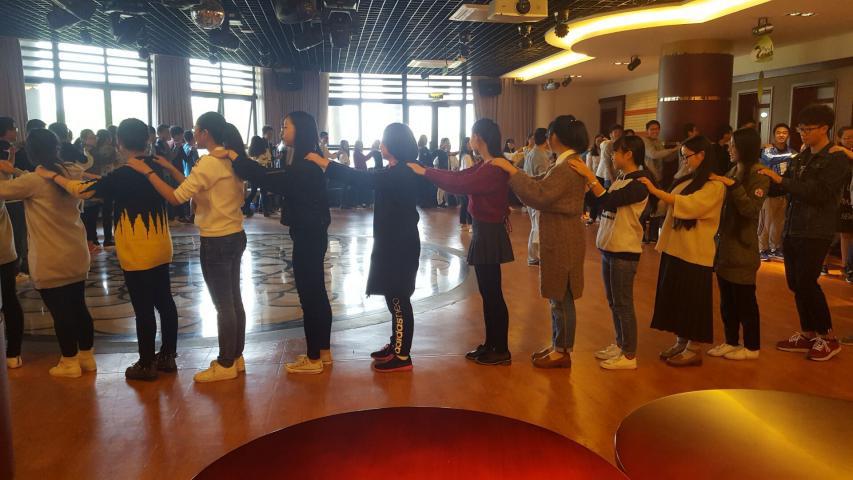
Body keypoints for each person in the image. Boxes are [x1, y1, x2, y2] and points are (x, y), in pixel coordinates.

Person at [39, 118, 180, 380]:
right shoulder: (155, 166)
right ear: (147, 139)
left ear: (119, 142)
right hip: (161, 245)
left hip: (137, 250)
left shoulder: (125, 172)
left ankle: (146, 363)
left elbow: (83, 191)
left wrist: (53, 176)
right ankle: (168, 356)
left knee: (143, 309)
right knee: (165, 301)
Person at [127, 112, 247, 382]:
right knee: (233, 300)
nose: (194, 134)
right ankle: (236, 357)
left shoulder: (209, 162)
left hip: (216, 239)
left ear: (206, 133)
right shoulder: (230, 158)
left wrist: (148, 173)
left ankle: (226, 363)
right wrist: (170, 170)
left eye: (197, 130)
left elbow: (175, 197)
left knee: (223, 305)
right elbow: (195, 187)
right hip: (234, 234)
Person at [306, 123, 421, 372]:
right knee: (393, 296)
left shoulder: (401, 173)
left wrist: (324, 163)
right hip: (392, 242)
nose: (381, 144)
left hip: (400, 245)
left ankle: (402, 356)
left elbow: (360, 177)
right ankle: (396, 344)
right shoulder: (394, 170)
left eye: (384, 140)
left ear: (395, 144)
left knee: (399, 298)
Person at [410, 119, 514, 366]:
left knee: (492, 294)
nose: (470, 140)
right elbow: (458, 176)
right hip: (484, 231)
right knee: (488, 292)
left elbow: (459, 183)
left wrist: (425, 172)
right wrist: (426, 169)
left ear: (479, 138)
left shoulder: (492, 169)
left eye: (472, 135)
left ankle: (501, 349)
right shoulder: (486, 165)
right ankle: (492, 344)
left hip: (489, 232)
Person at [242, 112, 334, 374]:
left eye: (286, 126)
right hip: (313, 233)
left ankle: (313, 358)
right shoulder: (308, 159)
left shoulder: (305, 165)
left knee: (309, 295)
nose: (282, 131)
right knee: (317, 292)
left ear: (300, 130)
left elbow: (270, 179)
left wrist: (239, 159)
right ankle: (323, 352)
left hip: (308, 234)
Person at [490, 115, 586, 369]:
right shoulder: (565, 163)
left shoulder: (567, 167)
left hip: (563, 236)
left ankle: (563, 350)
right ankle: (558, 345)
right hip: (562, 234)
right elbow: (540, 183)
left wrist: (512, 172)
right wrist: (515, 173)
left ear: (556, 136)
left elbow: (540, 194)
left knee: (561, 296)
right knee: (558, 294)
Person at [0, 129, 95, 378]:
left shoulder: (33, 181)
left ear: (31, 153)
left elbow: (4, 190)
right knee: (78, 306)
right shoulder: (71, 171)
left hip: (50, 256)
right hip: (76, 251)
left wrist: (7, 169)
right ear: (57, 148)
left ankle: (69, 362)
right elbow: (43, 177)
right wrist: (15, 170)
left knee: (60, 311)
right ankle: (86, 357)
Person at [762, 105, 850, 361]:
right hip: (793, 226)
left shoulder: (835, 158)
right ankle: (808, 333)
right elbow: (786, 186)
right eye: (800, 129)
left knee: (807, 282)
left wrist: (782, 181)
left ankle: (828, 337)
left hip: (816, 229)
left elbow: (819, 193)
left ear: (824, 128)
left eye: (808, 129)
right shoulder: (801, 157)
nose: (802, 134)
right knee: (795, 283)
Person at [637, 136, 726, 367]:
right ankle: (681, 341)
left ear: (702, 155)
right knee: (676, 298)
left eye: (687, 156)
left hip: (695, 252)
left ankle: (693, 348)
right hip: (675, 248)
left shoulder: (715, 186)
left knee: (692, 301)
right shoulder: (688, 178)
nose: (684, 161)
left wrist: (655, 191)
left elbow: (690, 206)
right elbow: (669, 202)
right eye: (682, 156)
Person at [570, 135, 652, 370]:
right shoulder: (621, 179)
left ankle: (629, 355)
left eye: (616, 152)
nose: (613, 157)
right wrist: (587, 185)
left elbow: (608, 201)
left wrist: (589, 176)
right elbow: (600, 201)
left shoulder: (640, 184)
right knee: (613, 301)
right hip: (609, 247)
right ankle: (620, 344)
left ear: (629, 154)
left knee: (623, 303)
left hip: (624, 251)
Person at [706, 127, 769, 361]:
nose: (729, 148)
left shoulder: (759, 174)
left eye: (733, 145)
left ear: (745, 148)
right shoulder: (733, 170)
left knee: (745, 301)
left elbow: (750, 210)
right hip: (724, 247)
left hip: (743, 247)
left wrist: (733, 186)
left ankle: (752, 347)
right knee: (727, 301)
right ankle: (731, 341)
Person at [0, 118, 24, 369]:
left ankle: (13, 350)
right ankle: (13, 351)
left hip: (4, 250)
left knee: (9, 298)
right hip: (5, 249)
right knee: (9, 298)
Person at [758, 123, 794, 261]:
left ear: (788, 135)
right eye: (778, 132)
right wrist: (793, 155)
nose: (781, 135)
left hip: (783, 191)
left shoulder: (791, 151)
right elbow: (771, 160)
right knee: (765, 222)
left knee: (779, 223)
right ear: (774, 135)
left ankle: (775, 248)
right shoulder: (768, 150)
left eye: (784, 132)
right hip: (768, 191)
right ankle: (762, 249)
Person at [641, 120, 680, 243]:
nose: (655, 131)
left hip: (658, 179)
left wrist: (679, 151)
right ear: (647, 131)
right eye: (652, 129)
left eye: (657, 129)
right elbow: (653, 154)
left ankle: (653, 236)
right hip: (647, 178)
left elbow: (666, 158)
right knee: (645, 207)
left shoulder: (658, 142)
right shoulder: (644, 141)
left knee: (658, 207)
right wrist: (673, 149)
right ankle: (642, 235)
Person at [523, 128, 550, 266]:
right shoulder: (539, 154)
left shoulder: (532, 152)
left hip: (530, 194)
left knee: (536, 225)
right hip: (536, 195)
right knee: (538, 227)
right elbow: (543, 179)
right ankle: (534, 257)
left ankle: (534, 256)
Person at [830, 126, 853, 282]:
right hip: (841, 196)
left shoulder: (844, 152)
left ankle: (847, 266)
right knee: (840, 232)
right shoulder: (836, 153)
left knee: (848, 233)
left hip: (850, 196)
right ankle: (843, 265)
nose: (850, 140)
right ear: (839, 138)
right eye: (847, 137)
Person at [585, 134, 606, 225]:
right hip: (594, 177)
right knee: (594, 197)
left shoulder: (606, 151)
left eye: (601, 141)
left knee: (602, 197)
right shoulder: (591, 153)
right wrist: (590, 179)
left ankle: (600, 216)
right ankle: (592, 217)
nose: (600, 143)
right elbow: (588, 167)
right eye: (598, 141)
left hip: (604, 176)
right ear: (595, 142)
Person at [457, 137, 475, 232]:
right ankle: (470, 224)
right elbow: (468, 170)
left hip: (463, 182)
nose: (470, 145)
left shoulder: (464, 155)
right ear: (465, 145)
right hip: (466, 183)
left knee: (465, 204)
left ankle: (463, 223)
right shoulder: (467, 156)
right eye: (469, 143)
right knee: (468, 203)